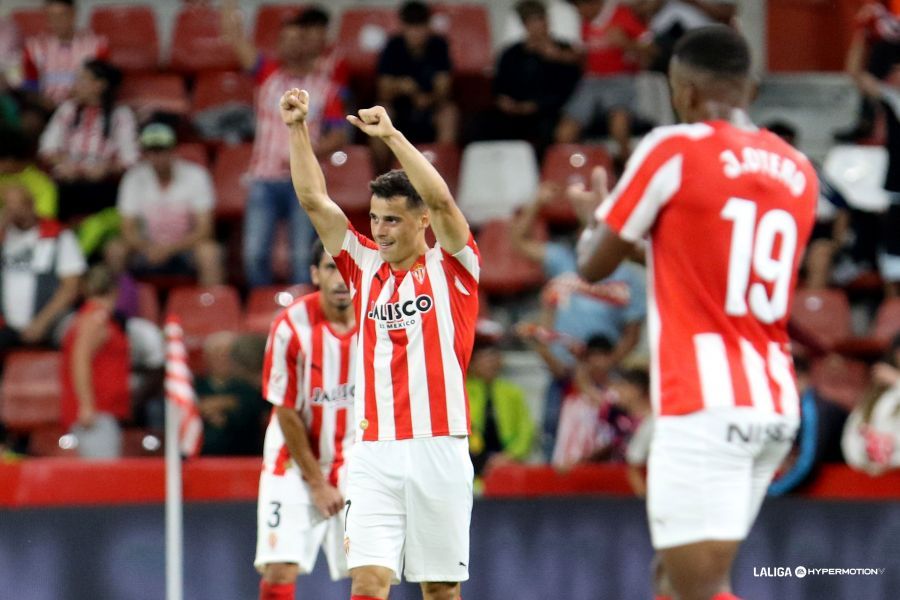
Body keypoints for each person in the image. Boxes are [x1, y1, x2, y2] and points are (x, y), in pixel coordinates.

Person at [576, 26, 817, 600]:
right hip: (773, 406)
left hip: (704, 405)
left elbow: (592, 267)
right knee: (677, 579)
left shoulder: (673, 147)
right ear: (750, 89)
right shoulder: (799, 170)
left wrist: (596, 222)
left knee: (700, 589)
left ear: (681, 91)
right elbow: (709, 261)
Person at [281, 87, 479, 600]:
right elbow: (313, 200)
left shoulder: (453, 266)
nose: (381, 230)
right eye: (374, 218)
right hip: (371, 452)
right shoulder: (362, 264)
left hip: (439, 445)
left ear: (422, 221)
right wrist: (297, 128)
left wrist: (391, 136)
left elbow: (441, 198)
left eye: (392, 219)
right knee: (367, 581)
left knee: (439, 589)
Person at [256, 240, 357, 599]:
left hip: (356, 459)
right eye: (331, 268)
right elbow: (285, 410)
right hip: (294, 461)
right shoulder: (290, 326)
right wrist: (316, 482)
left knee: (369, 571)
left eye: (347, 268)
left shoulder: (379, 325)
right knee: (279, 567)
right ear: (315, 274)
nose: (341, 278)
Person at [222, 4, 349, 287]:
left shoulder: (325, 88)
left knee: (302, 255)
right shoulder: (267, 75)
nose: (292, 45)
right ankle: (264, 313)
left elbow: (340, 136)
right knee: (254, 254)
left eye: (299, 39)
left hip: (303, 183)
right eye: (286, 39)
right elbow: (234, 38)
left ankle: (302, 315)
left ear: (311, 45)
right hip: (263, 179)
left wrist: (305, 152)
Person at [117, 123, 223, 286]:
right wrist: (148, 247)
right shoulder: (133, 178)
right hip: (147, 247)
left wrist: (169, 249)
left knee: (209, 253)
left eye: (162, 150)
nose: (157, 156)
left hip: (186, 248)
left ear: (173, 150)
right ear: (145, 153)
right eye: (152, 150)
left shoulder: (196, 176)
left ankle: (212, 309)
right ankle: (119, 307)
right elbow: (127, 229)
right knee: (115, 250)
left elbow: (205, 229)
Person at [555, 0, 656, 165]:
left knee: (618, 128)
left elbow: (653, 51)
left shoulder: (621, 15)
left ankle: (630, 170)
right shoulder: (579, 22)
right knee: (564, 134)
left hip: (620, 78)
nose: (579, 11)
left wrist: (626, 43)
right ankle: (578, 170)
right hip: (591, 80)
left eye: (581, 6)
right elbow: (581, 55)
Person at [38, 58, 138, 222]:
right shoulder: (67, 109)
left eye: (81, 80)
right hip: (66, 182)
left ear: (99, 86)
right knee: (52, 193)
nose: (75, 85)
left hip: (102, 184)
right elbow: (46, 147)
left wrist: (107, 169)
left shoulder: (121, 115)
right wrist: (64, 163)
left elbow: (131, 158)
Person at [373, 1, 459, 173]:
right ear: (403, 27)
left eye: (420, 27)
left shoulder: (439, 46)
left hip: (430, 111)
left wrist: (428, 98)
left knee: (449, 114)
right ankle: (380, 174)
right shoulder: (392, 46)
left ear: (428, 27)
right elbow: (383, 89)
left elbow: (444, 88)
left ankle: (442, 173)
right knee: (379, 116)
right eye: (411, 27)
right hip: (400, 111)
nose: (416, 34)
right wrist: (402, 87)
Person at [0, 183, 85, 353]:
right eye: (8, 206)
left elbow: (71, 287)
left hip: (50, 323)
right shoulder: (3, 236)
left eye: (19, 205)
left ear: (31, 205)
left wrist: (42, 322)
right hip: (6, 325)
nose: (14, 211)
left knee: (77, 331)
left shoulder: (58, 235)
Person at [488, 0, 582, 153]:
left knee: (548, 129)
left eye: (541, 20)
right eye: (532, 22)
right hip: (513, 112)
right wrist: (503, 101)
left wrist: (536, 105)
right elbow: (499, 85)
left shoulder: (563, 52)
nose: (538, 26)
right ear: (525, 25)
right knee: (484, 125)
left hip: (547, 111)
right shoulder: (511, 54)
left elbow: (569, 88)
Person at [847, 28, 900, 297]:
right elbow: (857, 74)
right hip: (897, 185)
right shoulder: (893, 99)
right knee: (893, 252)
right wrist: (861, 37)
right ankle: (893, 314)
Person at [60, 264, 130, 458]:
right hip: (97, 411)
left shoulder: (90, 317)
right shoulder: (95, 320)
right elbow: (80, 359)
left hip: (101, 410)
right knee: (103, 477)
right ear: (115, 291)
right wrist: (86, 404)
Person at [466, 334, 536, 476]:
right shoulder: (462, 391)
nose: (491, 363)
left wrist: (510, 456)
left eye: (494, 357)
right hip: (471, 463)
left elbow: (525, 429)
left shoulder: (512, 392)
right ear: (472, 363)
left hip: (507, 464)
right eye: (485, 358)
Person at [21, 0, 109, 107]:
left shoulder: (97, 46)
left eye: (62, 15)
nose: (57, 22)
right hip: (44, 108)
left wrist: (74, 97)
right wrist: (40, 100)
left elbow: (101, 82)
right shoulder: (34, 47)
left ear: (74, 14)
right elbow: (30, 83)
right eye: (51, 17)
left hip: (81, 105)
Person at [196, 331, 266, 457]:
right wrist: (228, 404)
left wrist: (220, 414)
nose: (221, 359)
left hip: (242, 458)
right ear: (206, 357)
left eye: (226, 354)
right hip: (200, 457)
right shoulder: (194, 386)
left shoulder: (248, 389)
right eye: (216, 354)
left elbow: (251, 415)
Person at [842, 333, 900, 474]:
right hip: (872, 476)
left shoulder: (894, 381)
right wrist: (867, 459)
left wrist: (897, 380)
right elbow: (853, 432)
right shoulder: (877, 393)